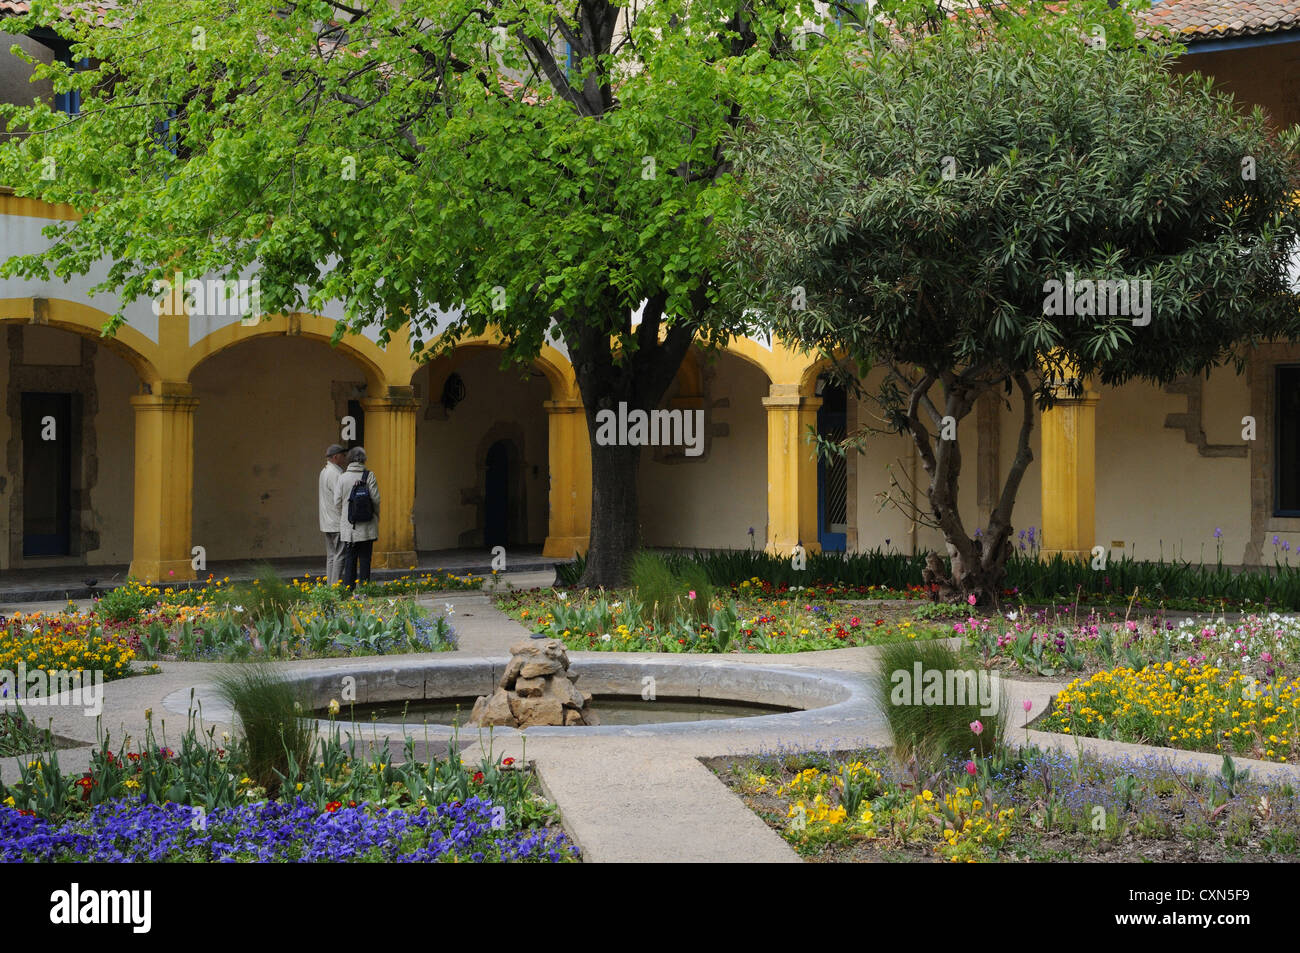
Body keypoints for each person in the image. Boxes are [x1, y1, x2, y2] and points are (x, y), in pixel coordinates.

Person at [335, 446, 380, 592]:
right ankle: (365, 590)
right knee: (366, 559)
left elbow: (337, 502)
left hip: (350, 527)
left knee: (350, 559)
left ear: (349, 460)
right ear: (363, 460)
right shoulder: (369, 476)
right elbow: (376, 500)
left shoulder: (342, 478)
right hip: (367, 525)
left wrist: (345, 514)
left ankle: (349, 590)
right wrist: (376, 516)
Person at [318, 444, 348, 586]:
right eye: (343, 455)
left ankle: (330, 586)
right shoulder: (336, 474)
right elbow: (339, 500)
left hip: (326, 521)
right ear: (336, 457)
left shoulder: (324, 471)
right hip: (336, 521)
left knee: (331, 556)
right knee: (339, 555)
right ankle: (335, 587)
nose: (345, 457)